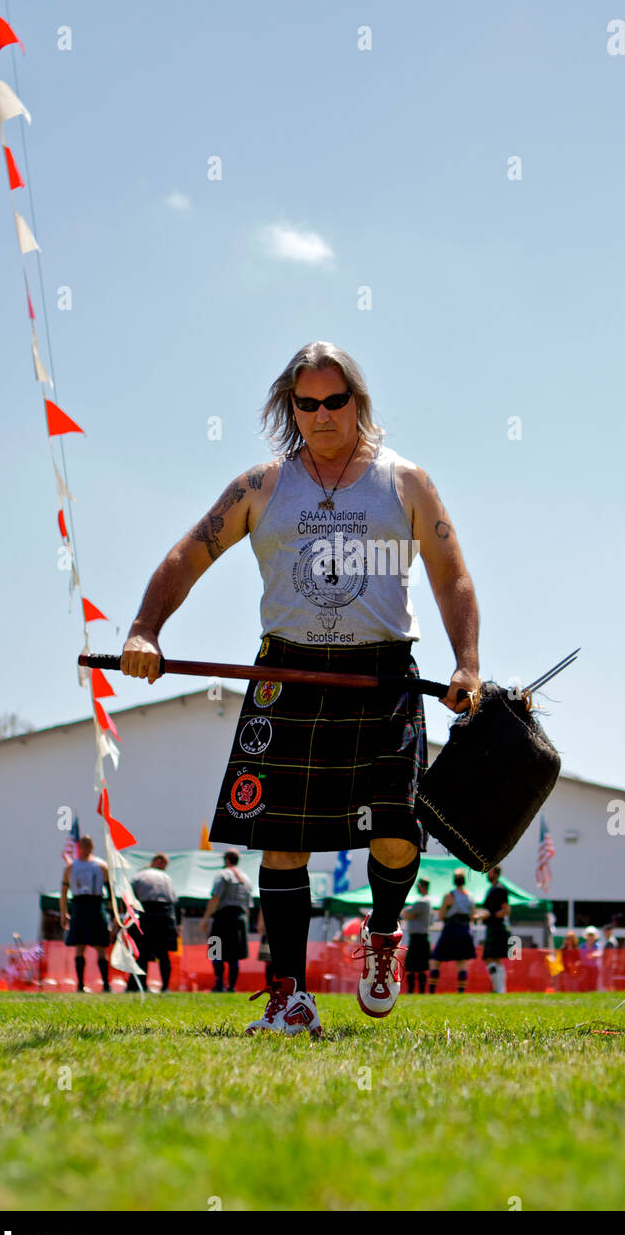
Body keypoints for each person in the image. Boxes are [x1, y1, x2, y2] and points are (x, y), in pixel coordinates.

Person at [120, 343, 479, 1036]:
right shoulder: (261, 485)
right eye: (306, 404)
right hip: (286, 673)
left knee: (399, 832)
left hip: (383, 676)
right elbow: (187, 554)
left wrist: (466, 662)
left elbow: (451, 575)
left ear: (358, 401)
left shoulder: (405, 482)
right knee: (281, 843)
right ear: (292, 407)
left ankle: (381, 935)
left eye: (334, 401)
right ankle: (290, 995)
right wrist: (143, 630)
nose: (321, 416)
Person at [60, 836, 111, 992]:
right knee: (79, 946)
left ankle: (106, 985)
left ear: (93, 846)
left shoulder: (101, 866)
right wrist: (64, 913)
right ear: (79, 846)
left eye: (88, 845)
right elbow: (63, 893)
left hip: (96, 905)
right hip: (79, 906)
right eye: (83, 845)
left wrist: (113, 914)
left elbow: (110, 891)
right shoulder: (71, 868)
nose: (86, 847)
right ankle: (80, 985)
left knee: (101, 946)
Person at [201, 850, 253, 992]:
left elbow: (215, 898)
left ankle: (219, 983)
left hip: (223, 917)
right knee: (234, 954)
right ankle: (231, 986)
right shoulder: (246, 878)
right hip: (240, 919)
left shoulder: (222, 874)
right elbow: (249, 905)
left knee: (216, 950)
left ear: (226, 860)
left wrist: (205, 918)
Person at [127, 853, 178, 992]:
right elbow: (173, 899)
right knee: (163, 953)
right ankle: (165, 987)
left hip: (146, 914)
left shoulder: (139, 876)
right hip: (166, 915)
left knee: (142, 952)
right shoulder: (167, 877)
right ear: (158, 861)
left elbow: (129, 898)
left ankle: (140, 986)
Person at [428, 869, 477, 994]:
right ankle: (461, 990)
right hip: (465, 930)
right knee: (462, 962)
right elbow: (473, 916)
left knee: (435, 960)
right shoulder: (470, 896)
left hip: (450, 929)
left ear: (454, 880)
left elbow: (441, 915)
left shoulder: (449, 895)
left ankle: (432, 990)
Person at [476, 866, 511, 993]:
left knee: (490, 958)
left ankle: (499, 989)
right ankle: (500, 989)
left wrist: (492, 916)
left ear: (495, 873)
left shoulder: (500, 889)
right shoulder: (492, 889)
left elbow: (506, 910)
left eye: (489, 871)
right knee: (494, 959)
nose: (487, 874)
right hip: (492, 927)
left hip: (497, 927)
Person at [401, 877, 432, 994]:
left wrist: (408, 913)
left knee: (414, 967)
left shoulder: (422, 901)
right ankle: (419, 991)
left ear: (422, 886)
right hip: (420, 937)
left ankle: (414, 991)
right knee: (418, 967)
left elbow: (406, 913)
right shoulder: (426, 901)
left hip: (418, 938)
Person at [579, 925, 601, 991]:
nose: (591, 937)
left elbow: (600, 953)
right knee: (584, 982)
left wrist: (592, 955)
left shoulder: (597, 945)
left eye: (592, 935)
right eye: (589, 935)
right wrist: (592, 955)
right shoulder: (582, 946)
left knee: (593, 983)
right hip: (584, 967)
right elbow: (581, 956)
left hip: (594, 968)